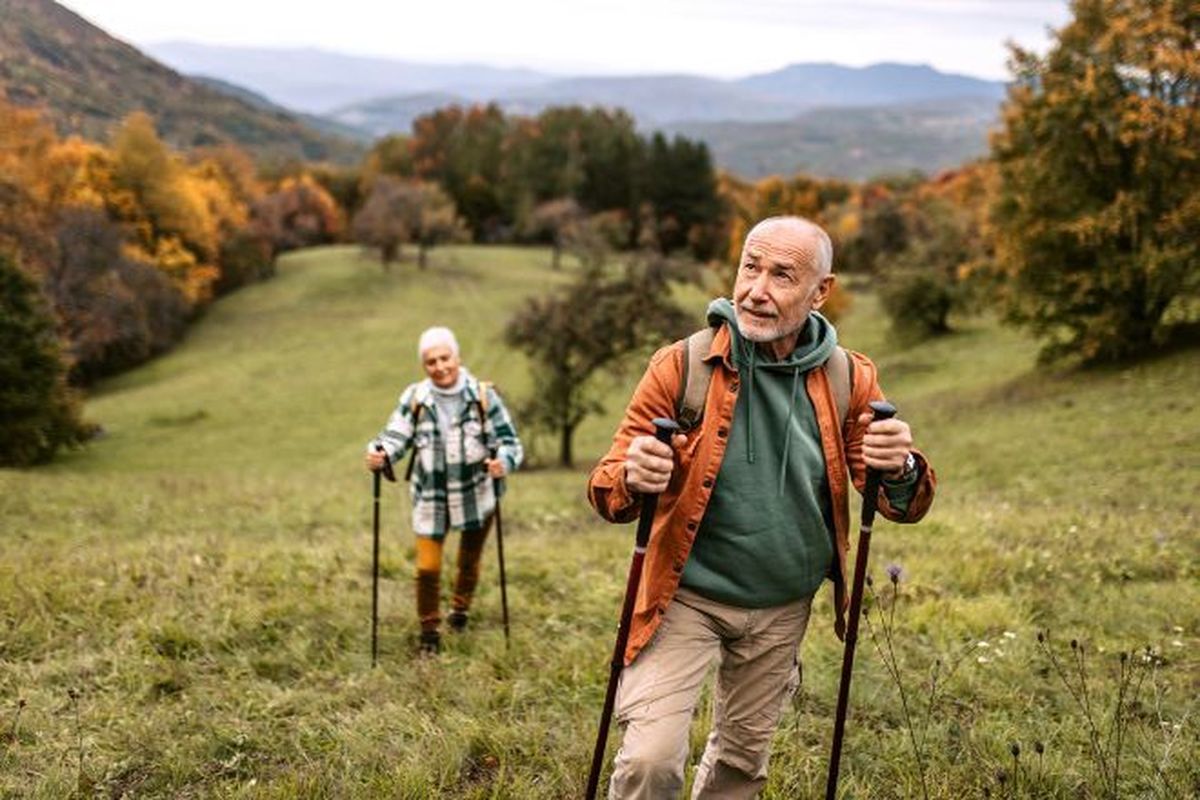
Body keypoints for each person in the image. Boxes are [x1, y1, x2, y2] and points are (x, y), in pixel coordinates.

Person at [587, 216, 937, 798]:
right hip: (684, 596)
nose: (756, 289)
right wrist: (634, 473)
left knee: (741, 766)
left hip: (781, 605)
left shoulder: (849, 377)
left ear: (820, 290)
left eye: (781, 275)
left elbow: (897, 501)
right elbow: (607, 487)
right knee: (650, 761)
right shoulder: (682, 366)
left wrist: (898, 465)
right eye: (750, 267)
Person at [366, 326, 523, 655]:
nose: (439, 366)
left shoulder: (482, 396)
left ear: (457, 357)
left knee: (469, 560)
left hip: (477, 494)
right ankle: (429, 631)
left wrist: (503, 461)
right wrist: (381, 453)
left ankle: (460, 611)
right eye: (430, 361)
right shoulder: (415, 398)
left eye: (444, 357)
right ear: (424, 366)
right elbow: (395, 435)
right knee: (427, 567)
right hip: (431, 496)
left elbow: (509, 442)